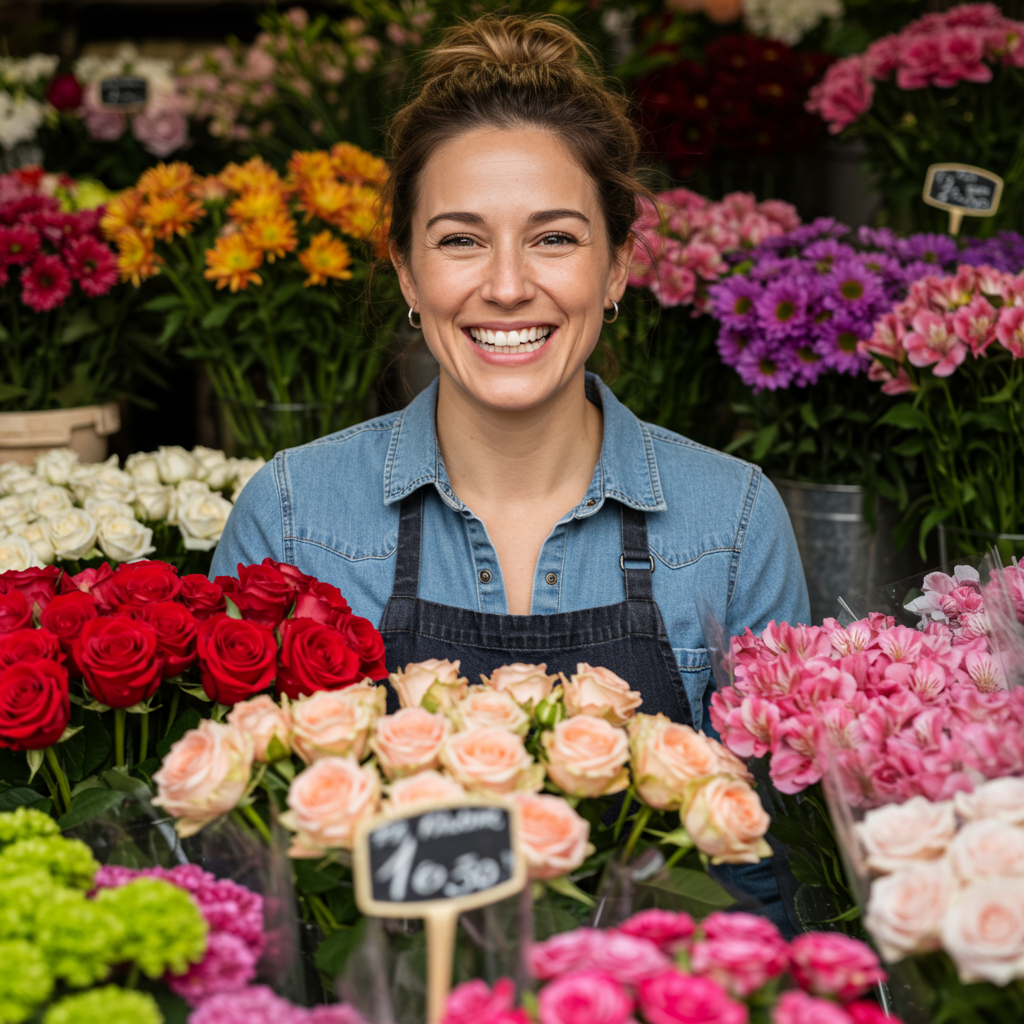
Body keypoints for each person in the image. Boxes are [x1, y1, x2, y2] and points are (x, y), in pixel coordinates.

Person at [211, 14, 808, 742]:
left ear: (617, 264)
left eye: (553, 238)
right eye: (460, 240)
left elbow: (769, 842)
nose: (505, 286)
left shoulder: (734, 525)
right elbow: (239, 834)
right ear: (406, 269)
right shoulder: (293, 520)